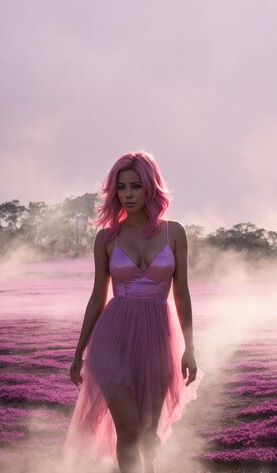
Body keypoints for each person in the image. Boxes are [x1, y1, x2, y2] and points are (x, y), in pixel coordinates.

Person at [63, 150, 203, 473]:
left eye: (136, 186)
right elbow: (98, 296)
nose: (128, 195)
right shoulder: (106, 238)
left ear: (150, 188)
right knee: (127, 430)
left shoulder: (175, 233)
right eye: (122, 187)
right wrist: (78, 352)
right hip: (112, 339)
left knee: (147, 437)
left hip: (157, 339)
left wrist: (190, 348)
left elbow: (181, 293)